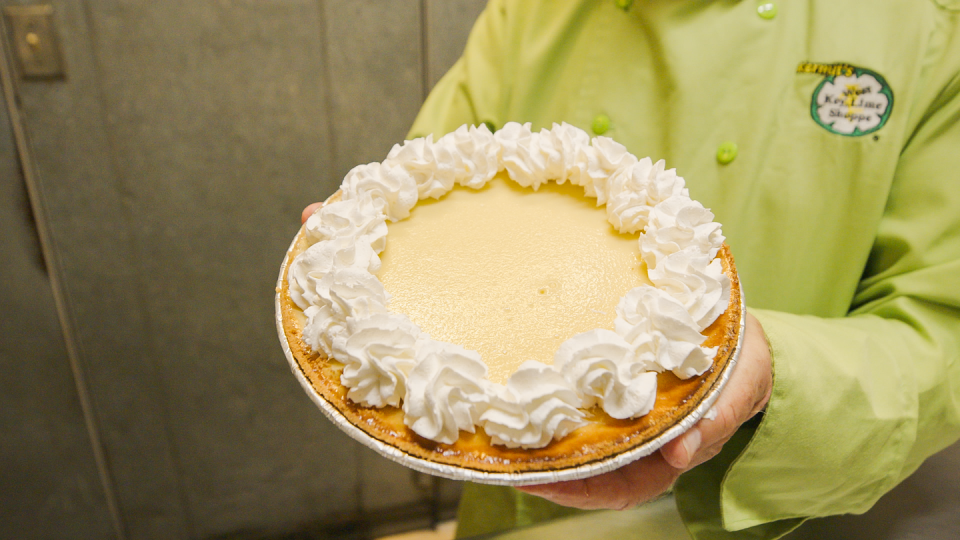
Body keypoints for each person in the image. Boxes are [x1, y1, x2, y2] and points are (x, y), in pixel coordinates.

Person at [304, 1, 960, 538]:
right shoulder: (530, 12)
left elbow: (942, 332)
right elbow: (431, 178)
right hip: (511, 495)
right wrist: (352, 262)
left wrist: (770, 371)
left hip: (759, 507)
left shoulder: (929, 31)